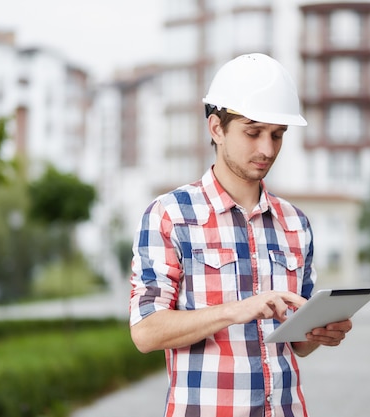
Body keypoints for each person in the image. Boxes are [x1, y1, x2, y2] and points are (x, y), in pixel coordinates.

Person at [129, 53, 353, 417]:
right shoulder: (170, 215)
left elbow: (298, 344)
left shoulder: (296, 223)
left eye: (277, 135)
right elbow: (146, 331)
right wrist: (237, 310)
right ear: (216, 128)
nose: (267, 149)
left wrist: (321, 333)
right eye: (253, 132)